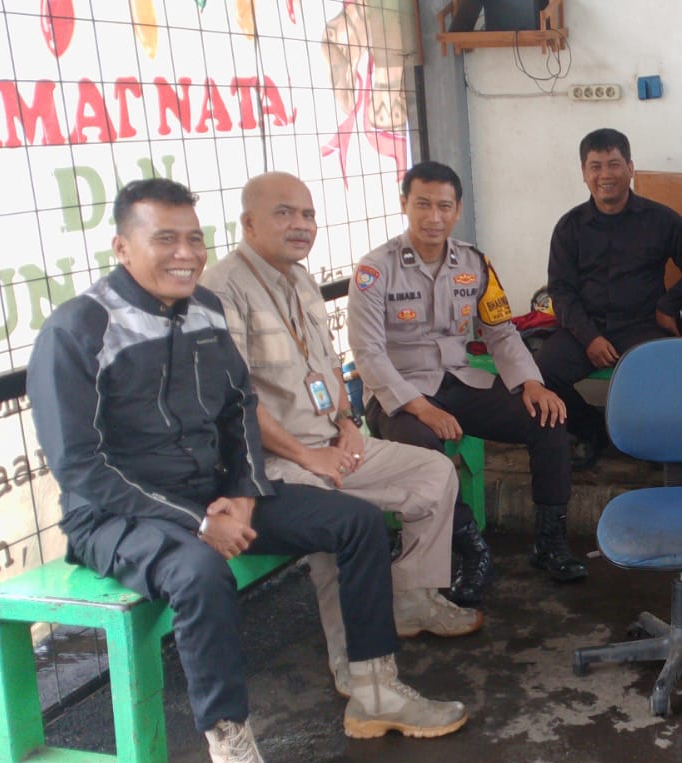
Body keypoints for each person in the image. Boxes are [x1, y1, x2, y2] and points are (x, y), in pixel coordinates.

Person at [28, 179, 468, 763]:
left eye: (193, 238)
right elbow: (81, 468)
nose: (185, 253)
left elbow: (238, 412)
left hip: (218, 496)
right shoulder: (79, 329)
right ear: (122, 247)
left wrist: (238, 493)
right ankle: (230, 747)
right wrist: (201, 521)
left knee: (351, 521)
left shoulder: (204, 310)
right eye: (165, 239)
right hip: (120, 516)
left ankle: (374, 689)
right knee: (199, 573)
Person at [200, 172, 481, 699]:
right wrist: (309, 457)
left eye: (307, 214)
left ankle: (411, 599)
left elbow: (330, 365)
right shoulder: (221, 289)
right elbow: (236, 403)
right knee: (340, 523)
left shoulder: (300, 279)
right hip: (273, 462)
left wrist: (348, 424)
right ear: (249, 223)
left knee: (433, 472)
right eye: (285, 213)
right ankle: (354, 665)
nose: (301, 225)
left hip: (331, 441)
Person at [350, 161, 587, 591]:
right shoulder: (375, 270)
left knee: (549, 418)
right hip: (398, 393)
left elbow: (500, 332)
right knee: (422, 446)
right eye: (422, 204)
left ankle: (550, 540)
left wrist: (532, 383)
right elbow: (367, 353)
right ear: (404, 204)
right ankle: (471, 549)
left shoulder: (475, 264)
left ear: (457, 209)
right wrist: (420, 408)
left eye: (444, 206)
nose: (433, 217)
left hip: (459, 381)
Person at [535, 128, 682, 469]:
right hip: (585, 329)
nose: (606, 175)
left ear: (630, 168)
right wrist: (589, 337)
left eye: (614, 164)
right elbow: (560, 290)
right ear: (584, 173)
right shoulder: (569, 227)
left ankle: (655, 446)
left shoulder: (662, 220)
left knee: (665, 370)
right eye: (596, 166)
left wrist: (668, 305)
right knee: (539, 373)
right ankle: (590, 430)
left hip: (642, 326)